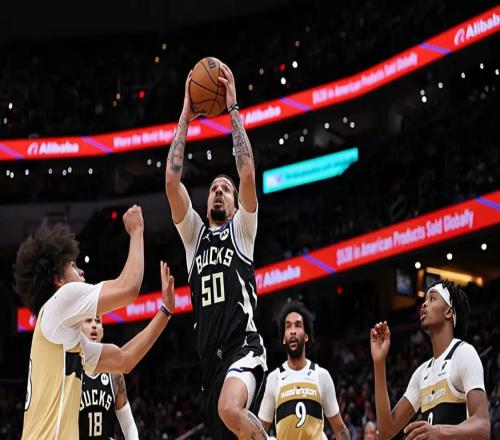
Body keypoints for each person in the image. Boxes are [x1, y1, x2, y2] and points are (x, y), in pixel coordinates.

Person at [165, 65, 267, 439]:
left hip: (244, 349)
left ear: (237, 205)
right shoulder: (194, 237)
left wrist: (233, 108)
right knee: (225, 420)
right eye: (213, 189)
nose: (219, 191)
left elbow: (247, 172)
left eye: (226, 188)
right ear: (206, 202)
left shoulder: (242, 230)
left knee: (229, 408)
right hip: (211, 363)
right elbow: (171, 180)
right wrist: (185, 115)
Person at [15, 206, 176, 439]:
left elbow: (124, 360)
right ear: (58, 279)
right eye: (73, 266)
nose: (81, 271)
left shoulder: (69, 340)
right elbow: (128, 288)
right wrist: (137, 231)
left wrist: (165, 312)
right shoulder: (62, 300)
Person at [370, 280, 490, 439]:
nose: (424, 304)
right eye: (425, 300)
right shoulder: (421, 373)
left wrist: (438, 431)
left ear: (448, 312)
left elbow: (483, 426)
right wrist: (379, 362)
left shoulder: (463, 354)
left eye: (432, 298)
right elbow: (386, 431)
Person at [258, 301, 351, 439]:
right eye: (288, 326)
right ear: (283, 338)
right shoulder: (274, 378)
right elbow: (260, 431)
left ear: (306, 336)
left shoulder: (321, 375)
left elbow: (340, 429)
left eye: (298, 325)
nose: (293, 330)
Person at [79, 316, 139, 439]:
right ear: (78, 329)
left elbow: (128, 425)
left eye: (98, 321)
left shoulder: (115, 374)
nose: (94, 325)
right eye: (88, 321)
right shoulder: (70, 371)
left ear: (102, 331)